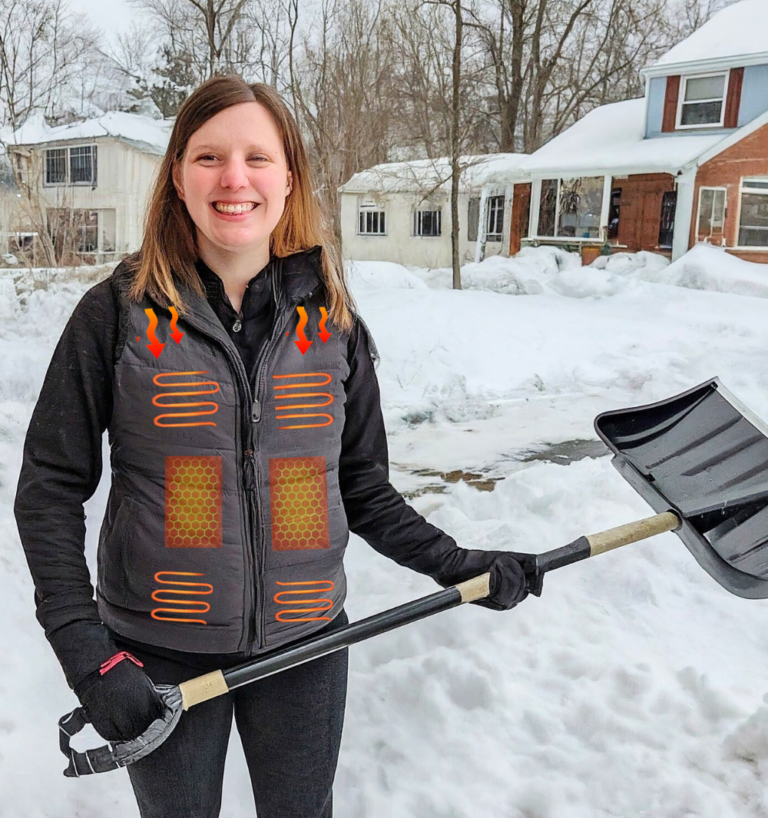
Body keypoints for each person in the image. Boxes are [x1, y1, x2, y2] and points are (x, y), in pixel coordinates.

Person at [14, 75, 542, 818]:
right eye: (209, 158)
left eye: (258, 158)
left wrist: (464, 566)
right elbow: (48, 489)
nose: (235, 179)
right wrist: (88, 653)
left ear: (288, 177)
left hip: (306, 644)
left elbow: (362, 485)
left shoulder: (332, 323)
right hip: (158, 649)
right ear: (177, 175)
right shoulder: (117, 315)